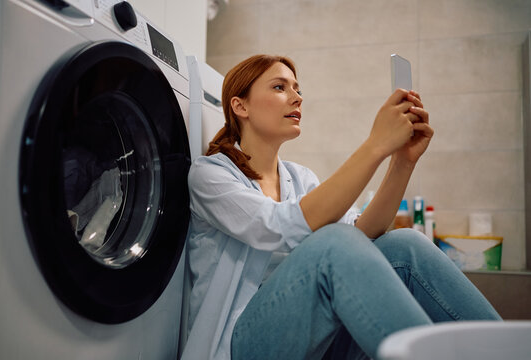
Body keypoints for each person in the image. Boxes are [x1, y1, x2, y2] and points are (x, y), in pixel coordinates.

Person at [180, 55, 501, 360]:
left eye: (298, 88)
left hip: (312, 336)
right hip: (238, 344)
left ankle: (507, 350)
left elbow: (363, 233)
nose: (297, 97)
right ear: (240, 106)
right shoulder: (211, 175)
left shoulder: (299, 177)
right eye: (280, 87)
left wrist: (401, 162)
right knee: (333, 243)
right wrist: (375, 144)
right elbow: (278, 226)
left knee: (406, 245)